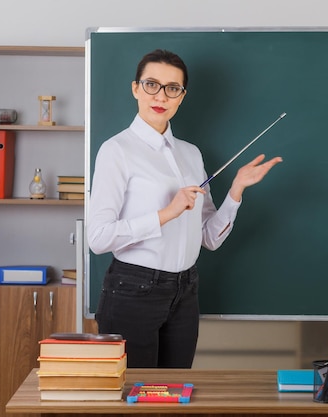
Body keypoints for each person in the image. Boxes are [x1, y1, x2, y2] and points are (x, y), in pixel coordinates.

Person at [87, 49, 282, 368]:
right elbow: (98, 238)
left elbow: (209, 237)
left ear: (181, 97)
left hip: (185, 290)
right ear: (135, 88)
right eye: (151, 84)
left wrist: (236, 190)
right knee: (135, 398)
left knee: (175, 394)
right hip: (132, 290)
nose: (160, 96)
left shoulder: (191, 155)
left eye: (172, 88)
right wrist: (167, 213)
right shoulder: (117, 150)